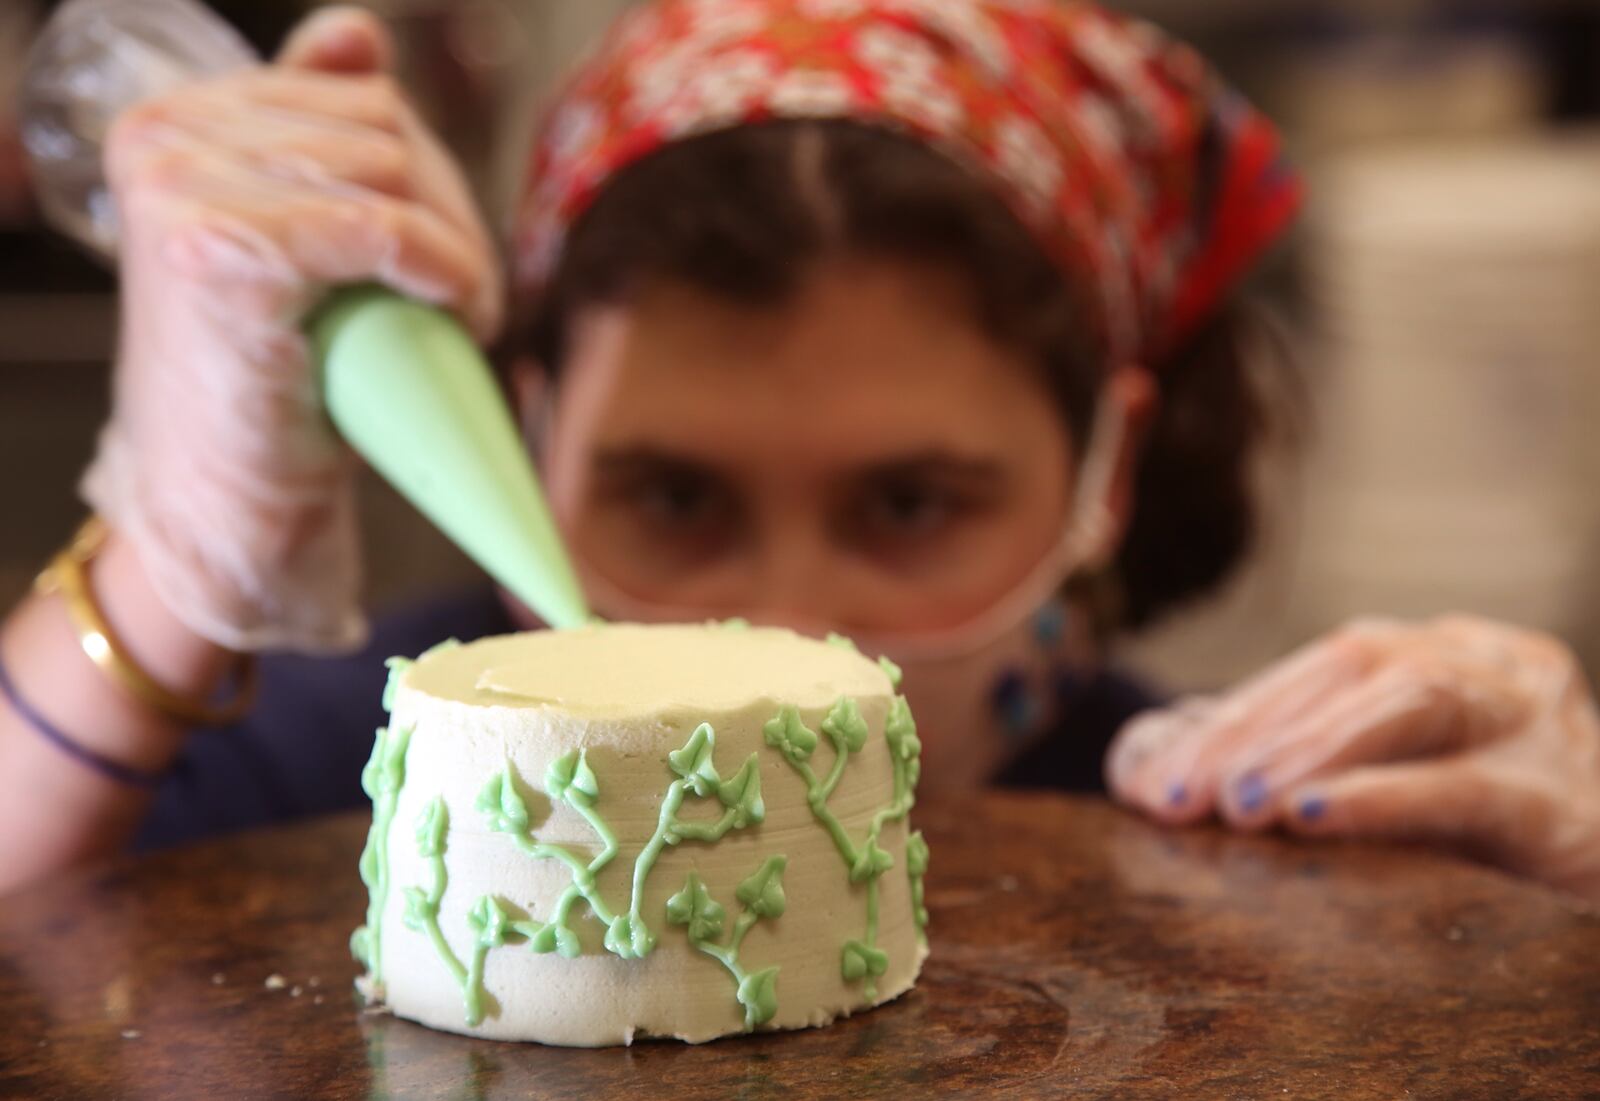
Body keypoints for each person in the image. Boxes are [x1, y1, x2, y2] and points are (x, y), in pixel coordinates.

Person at [1, 0, 1597, 903]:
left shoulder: (1210, 831)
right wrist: (162, 571)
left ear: (1106, 468)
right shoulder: (349, 762)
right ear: (534, 437)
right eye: (672, 495)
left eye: (910, 504)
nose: (775, 634)